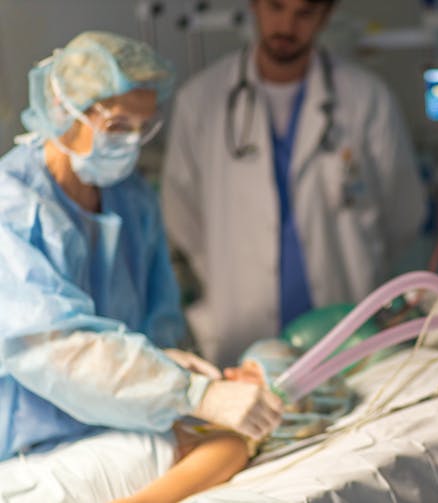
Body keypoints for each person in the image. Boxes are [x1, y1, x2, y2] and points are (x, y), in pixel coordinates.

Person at [0, 31, 281, 502]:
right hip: (29, 444)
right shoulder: (12, 208)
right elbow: (54, 348)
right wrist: (191, 394)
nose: (130, 142)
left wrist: (179, 367)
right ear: (62, 107)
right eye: (117, 125)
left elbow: (158, 322)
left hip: (124, 424)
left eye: (142, 126)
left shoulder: (131, 199)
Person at [162, 0, 427, 367]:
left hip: (345, 321)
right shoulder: (200, 100)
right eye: (276, 7)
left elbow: (403, 211)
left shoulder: (366, 99)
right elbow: (180, 214)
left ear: (326, 15)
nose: (286, 26)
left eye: (305, 13)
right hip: (241, 324)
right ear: (254, 5)